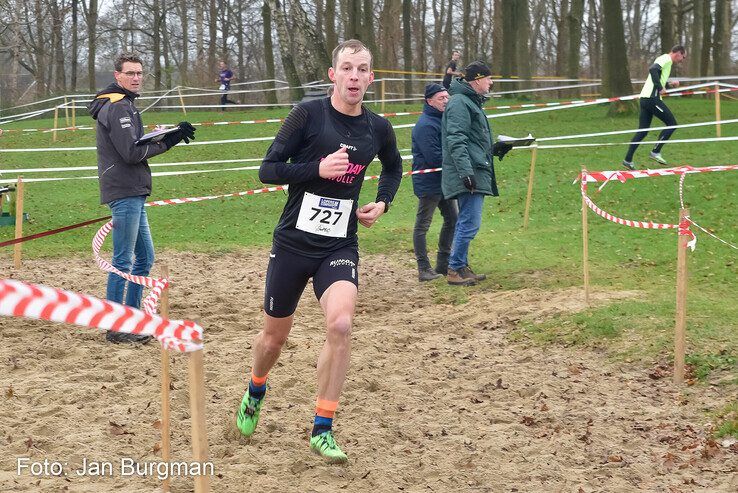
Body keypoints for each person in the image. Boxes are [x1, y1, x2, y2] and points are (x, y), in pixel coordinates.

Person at [236, 39, 403, 462]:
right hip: (293, 244)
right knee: (273, 340)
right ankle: (256, 388)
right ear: (333, 74)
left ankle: (322, 427)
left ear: (370, 77)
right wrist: (316, 169)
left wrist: (382, 202)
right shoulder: (307, 115)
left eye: (362, 69)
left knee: (342, 325)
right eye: (346, 68)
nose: (354, 77)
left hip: (340, 245)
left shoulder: (377, 127)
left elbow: (395, 165)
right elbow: (267, 169)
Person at [88, 52, 196, 344]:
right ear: (117, 76)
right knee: (122, 260)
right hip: (124, 190)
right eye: (131, 73)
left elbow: (133, 144)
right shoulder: (118, 108)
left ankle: (134, 317)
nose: (136, 78)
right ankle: (115, 325)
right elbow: (132, 153)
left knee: (145, 257)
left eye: (139, 73)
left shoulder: (126, 106)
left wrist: (164, 135)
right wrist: (168, 141)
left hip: (133, 190)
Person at [441, 61, 511, 286]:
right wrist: (466, 172)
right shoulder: (461, 103)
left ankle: (460, 266)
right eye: (489, 79)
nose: (491, 83)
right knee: (470, 222)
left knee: (468, 221)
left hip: (474, 168)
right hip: (468, 172)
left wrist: (493, 150)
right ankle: (455, 268)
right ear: (478, 80)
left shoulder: (469, 102)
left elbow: (472, 142)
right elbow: (456, 139)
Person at [411, 83, 457, 282]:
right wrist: (456, 160)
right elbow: (433, 157)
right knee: (423, 225)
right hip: (429, 182)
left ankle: (443, 263)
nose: (446, 101)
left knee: (453, 219)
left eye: (447, 97)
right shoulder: (426, 125)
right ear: (430, 101)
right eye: (441, 98)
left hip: (444, 181)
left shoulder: (441, 120)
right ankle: (423, 268)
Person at [623, 45, 686, 170]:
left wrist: (668, 84)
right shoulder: (666, 59)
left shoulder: (665, 61)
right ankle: (655, 152)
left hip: (645, 99)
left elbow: (656, 77)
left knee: (643, 131)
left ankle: (627, 160)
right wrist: (660, 88)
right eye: (683, 57)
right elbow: (652, 70)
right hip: (652, 99)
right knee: (672, 124)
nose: (682, 60)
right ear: (678, 53)